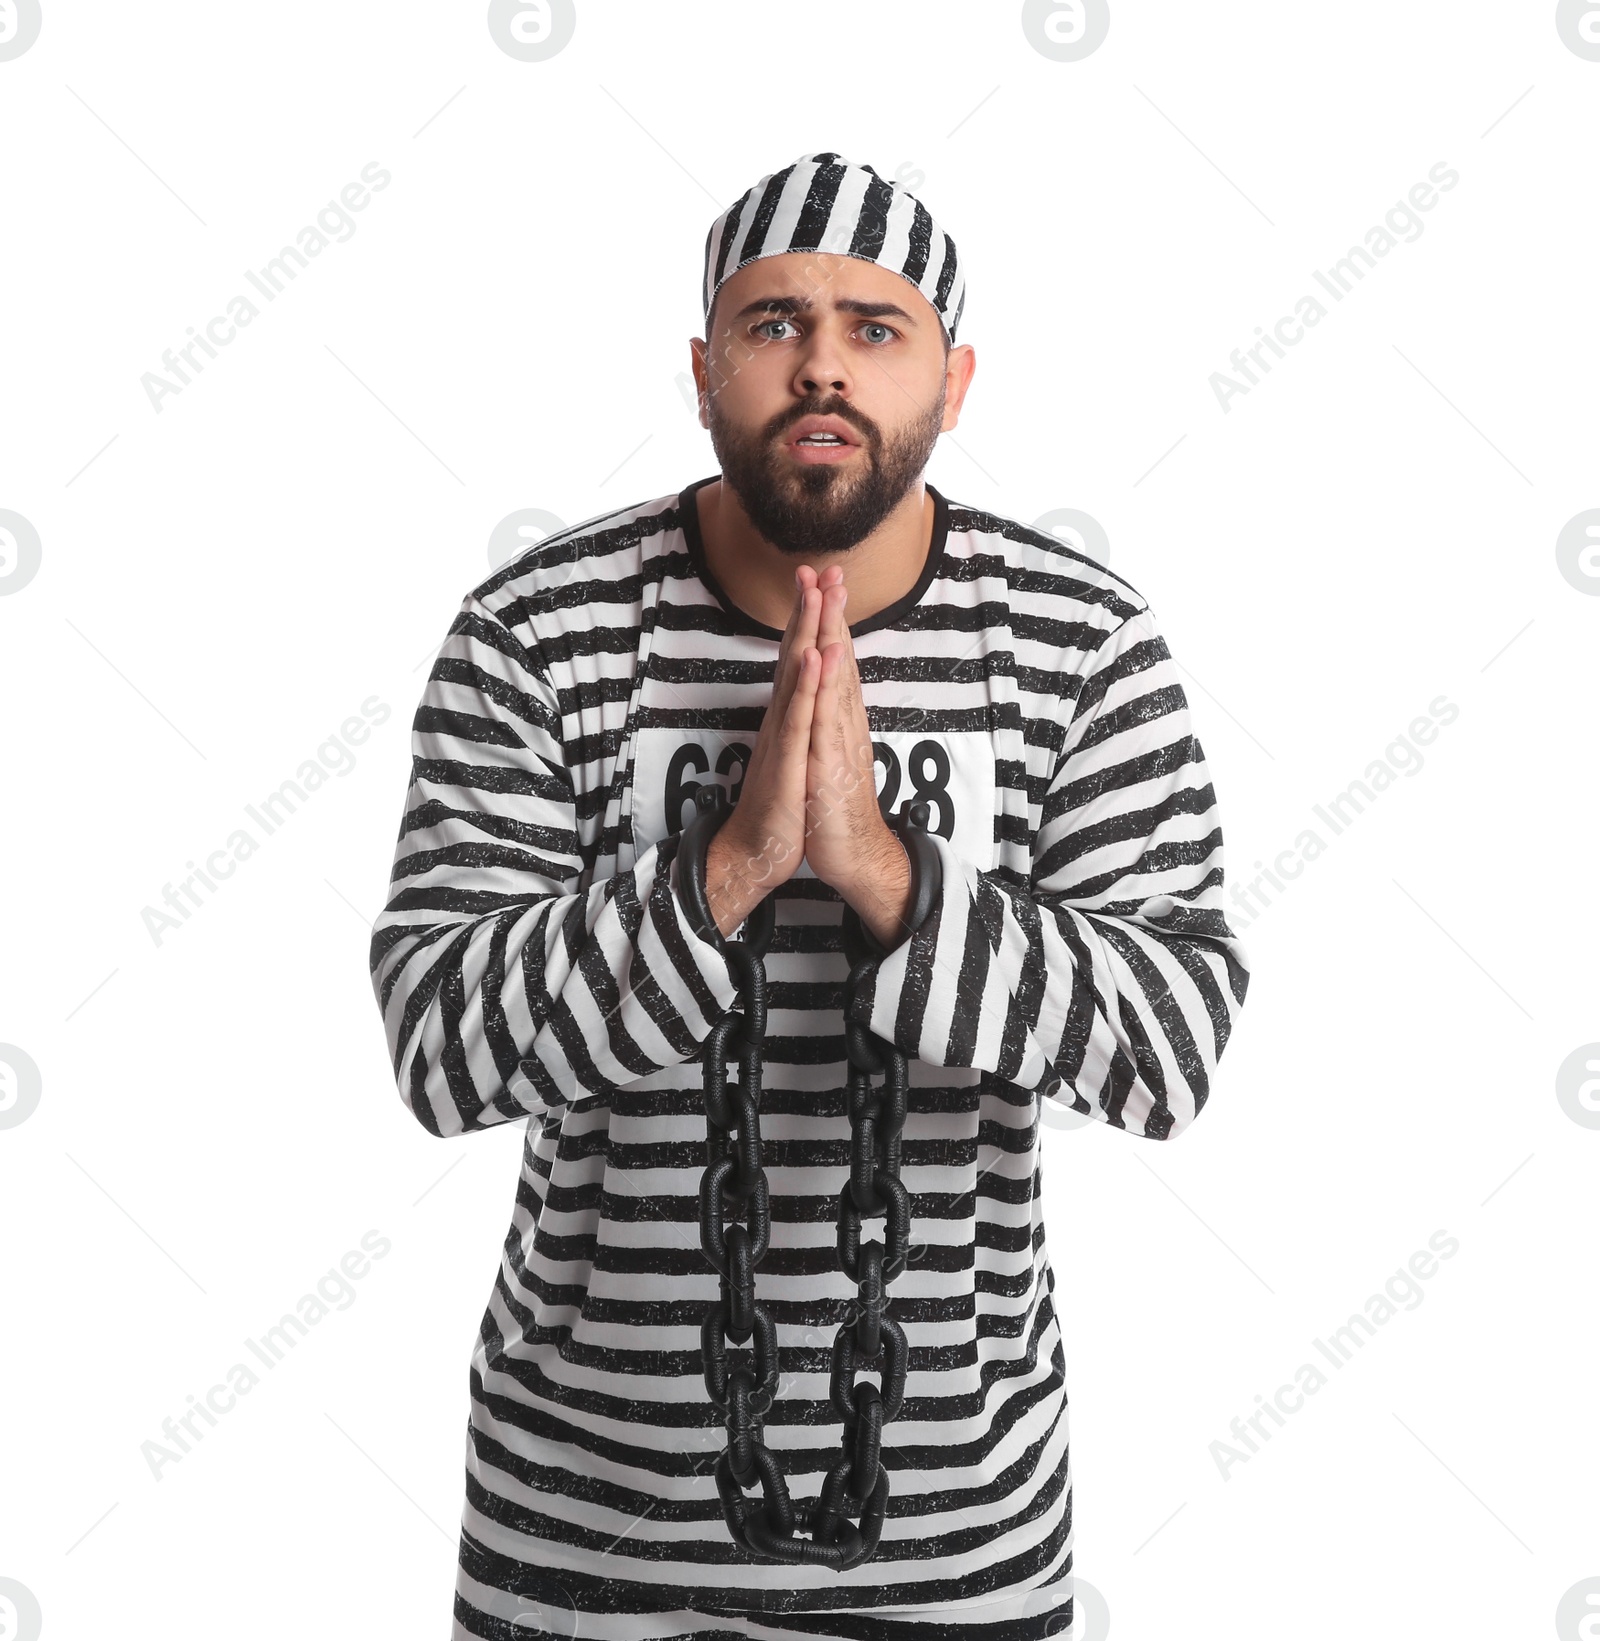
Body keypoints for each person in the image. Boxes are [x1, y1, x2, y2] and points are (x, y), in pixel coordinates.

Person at [368, 151, 1251, 1640]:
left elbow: (1171, 1051)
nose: (824, 365)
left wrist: (884, 874)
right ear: (705, 366)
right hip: (579, 1531)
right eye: (777, 323)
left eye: (876, 327)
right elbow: (443, 1050)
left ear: (953, 382)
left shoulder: (1080, 643)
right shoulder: (538, 632)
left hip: (957, 1533)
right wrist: (726, 874)